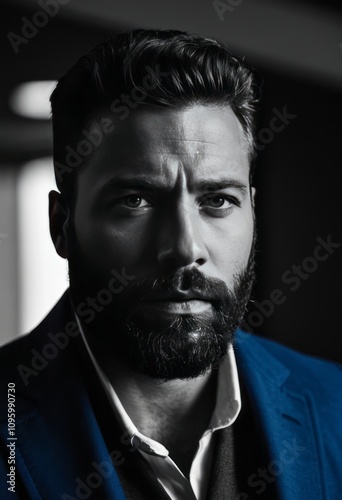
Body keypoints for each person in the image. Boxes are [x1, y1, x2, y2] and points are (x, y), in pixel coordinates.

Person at [0, 29, 341, 500]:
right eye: (135, 200)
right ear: (62, 226)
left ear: (253, 214)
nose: (184, 248)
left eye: (218, 200)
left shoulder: (334, 403)